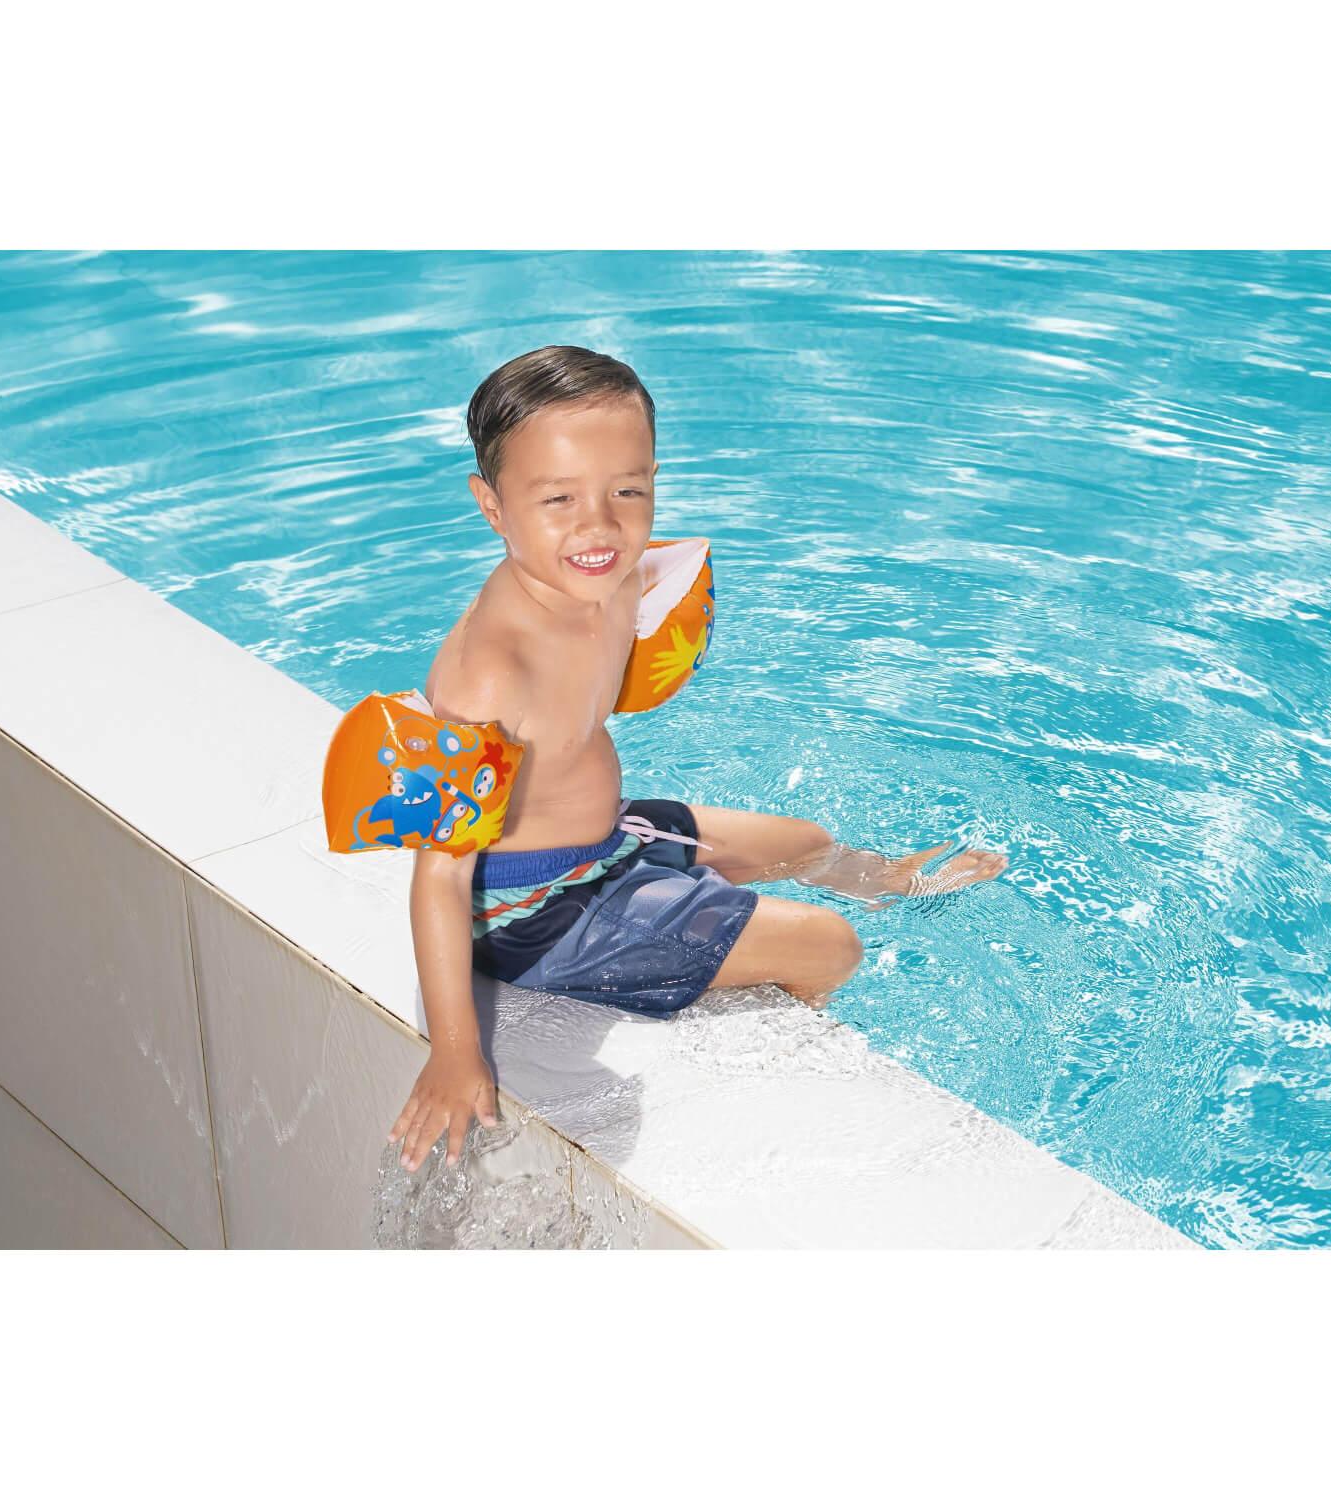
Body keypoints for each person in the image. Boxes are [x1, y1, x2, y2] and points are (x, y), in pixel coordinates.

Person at [388, 345, 1008, 1174]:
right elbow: (439, 876)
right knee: (831, 944)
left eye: (626, 491)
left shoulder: (613, 577)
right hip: (536, 912)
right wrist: (456, 1052)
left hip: (604, 842)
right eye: (558, 499)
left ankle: (891, 882)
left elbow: (651, 607)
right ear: (493, 507)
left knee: (805, 842)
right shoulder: (490, 674)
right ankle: (790, 1027)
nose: (598, 526)